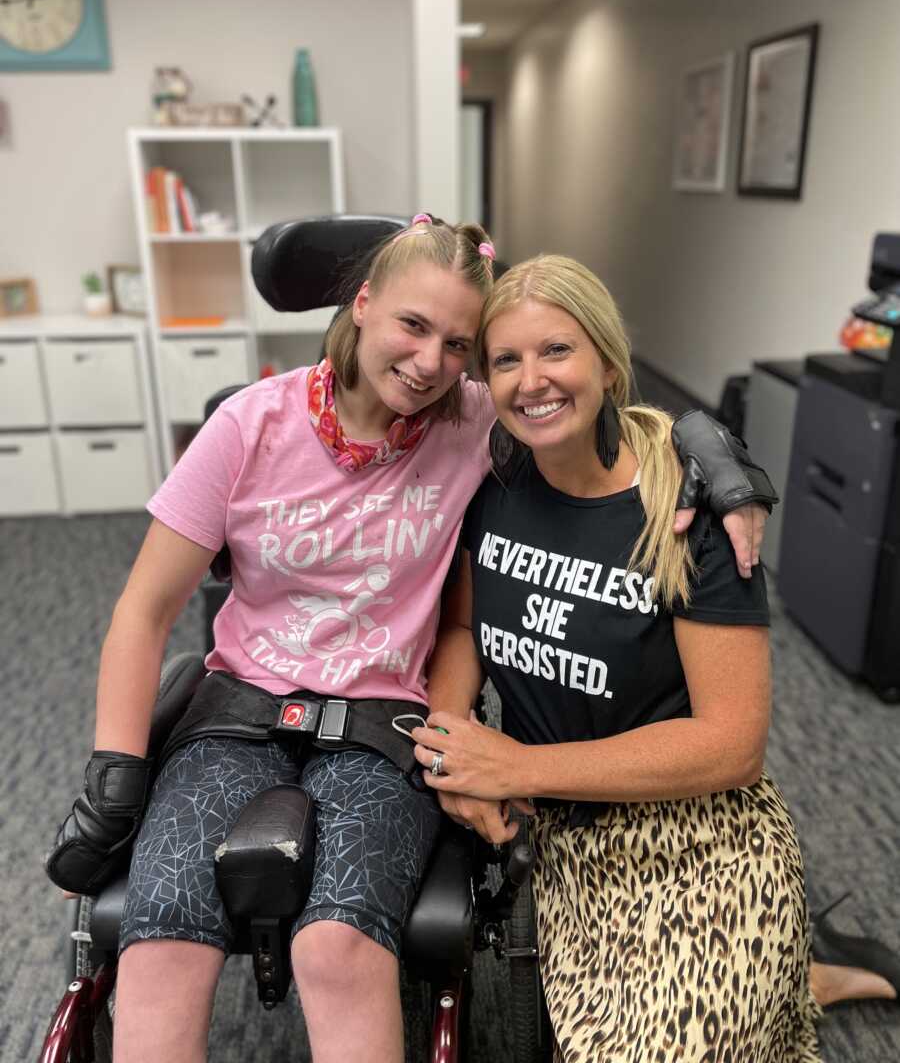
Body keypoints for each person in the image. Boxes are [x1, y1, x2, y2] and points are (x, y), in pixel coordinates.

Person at [45, 218, 773, 1063]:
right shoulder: (248, 426)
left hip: (382, 724)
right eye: (412, 326)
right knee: (162, 944)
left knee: (338, 948)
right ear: (361, 305)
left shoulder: (473, 419)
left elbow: (581, 401)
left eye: (458, 344)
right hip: (237, 712)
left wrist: (713, 449)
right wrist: (115, 769)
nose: (430, 363)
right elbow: (143, 611)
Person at [412, 254, 899, 1063]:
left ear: (607, 362)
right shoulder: (490, 484)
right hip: (574, 841)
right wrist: (451, 742)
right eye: (506, 359)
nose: (532, 380)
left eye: (557, 351)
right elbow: (460, 632)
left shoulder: (687, 502)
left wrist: (519, 764)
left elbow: (732, 746)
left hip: (702, 834)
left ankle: (793, 970)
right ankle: (795, 978)